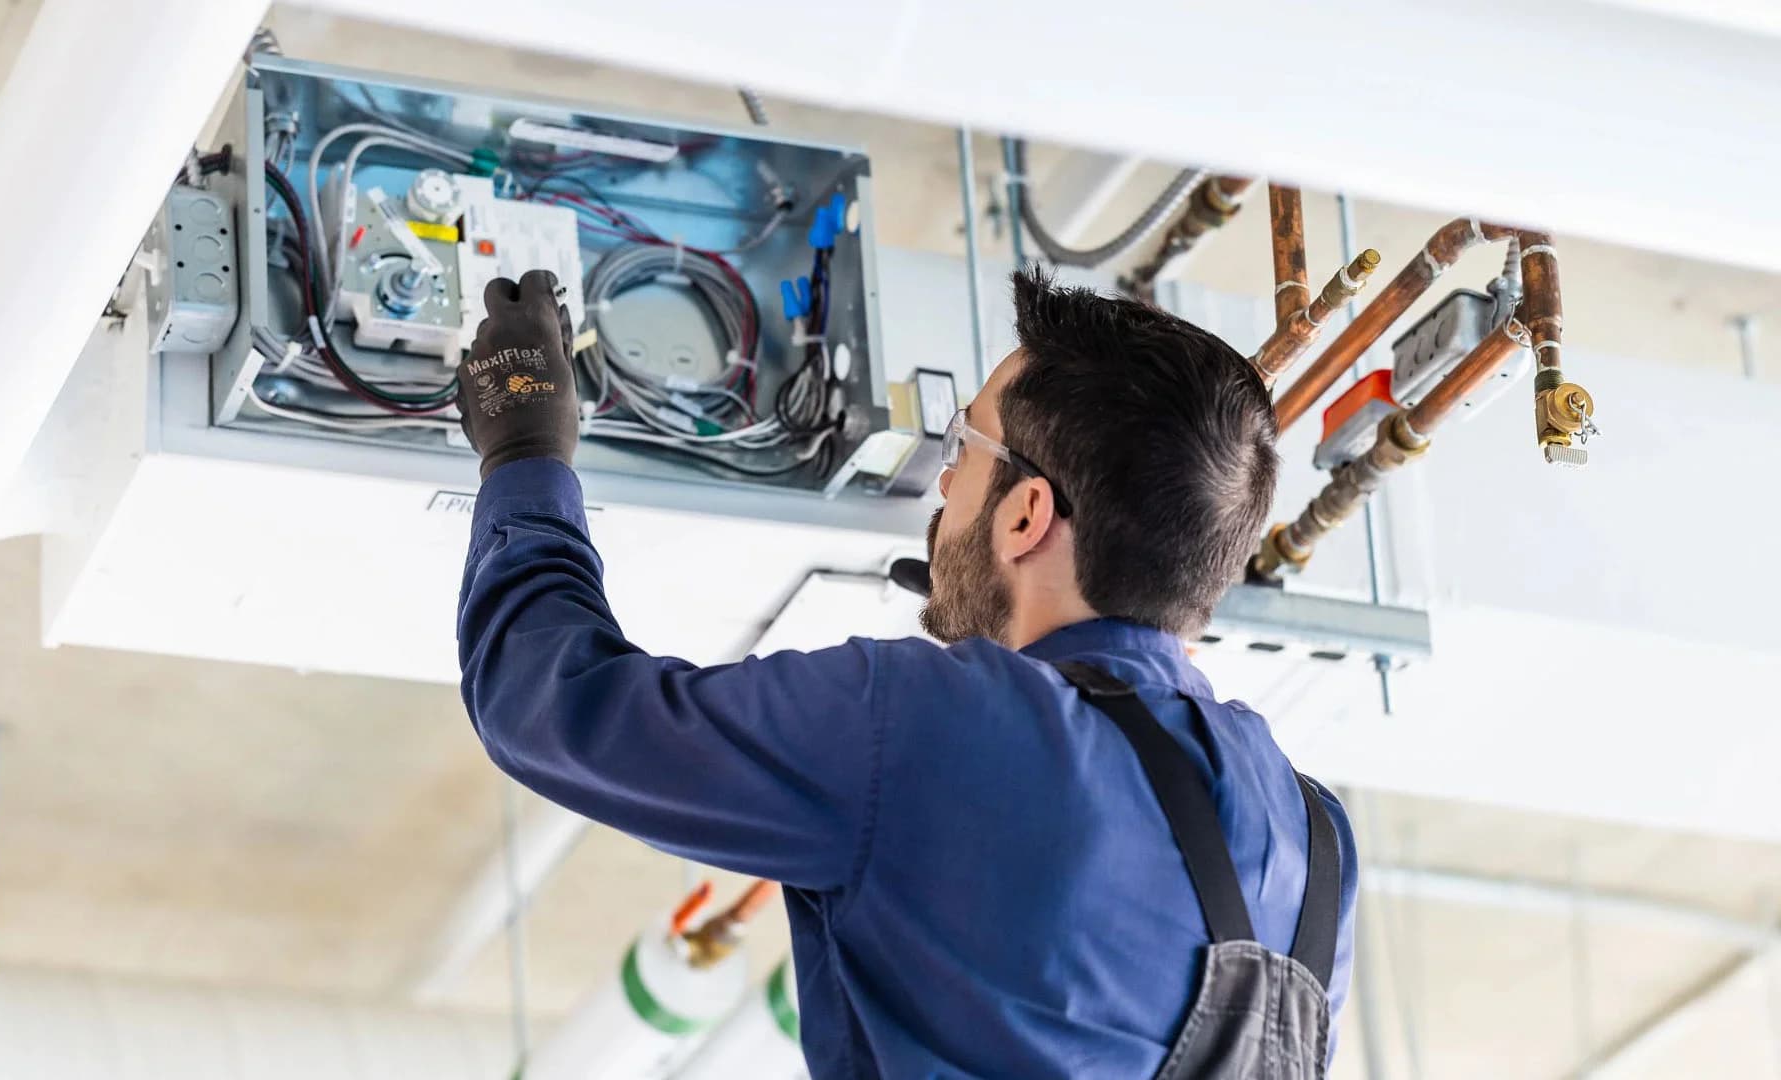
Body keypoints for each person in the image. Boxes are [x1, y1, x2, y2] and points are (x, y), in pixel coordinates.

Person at [455, 267, 1358, 1079]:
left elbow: (552, 704)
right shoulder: (1318, 842)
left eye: (965, 449)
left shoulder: (932, 724)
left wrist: (523, 452)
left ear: (1025, 515)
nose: (944, 486)